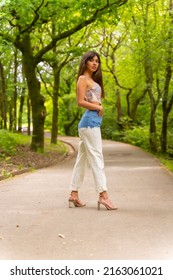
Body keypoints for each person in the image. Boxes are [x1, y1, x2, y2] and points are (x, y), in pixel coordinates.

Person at [68, 51, 117, 210]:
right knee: (97, 158)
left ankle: (73, 194)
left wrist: (98, 106)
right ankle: (103, 195)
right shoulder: (83, 79)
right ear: (85, 62)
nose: (95, 63)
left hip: (91, 123)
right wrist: (98, 106)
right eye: (92, 60)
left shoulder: (92, 80)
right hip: (89, 123)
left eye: (97, 61)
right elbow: (80, 101)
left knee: (82, 160)